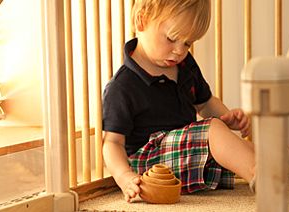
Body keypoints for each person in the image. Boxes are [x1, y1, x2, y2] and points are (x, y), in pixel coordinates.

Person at [102, 0, 255, 203]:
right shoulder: (123, 86)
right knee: (214, 130)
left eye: (187, 43)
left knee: (240, 147)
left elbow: (206, 103)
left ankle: (282, 166)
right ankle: (262, 176)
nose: (179, 50)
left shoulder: (185, 65)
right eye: (172, 38)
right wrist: (124, 177)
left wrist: (228, 119)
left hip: (184, 153)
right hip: (151, 167)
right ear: (141, 21)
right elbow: (112, 142)